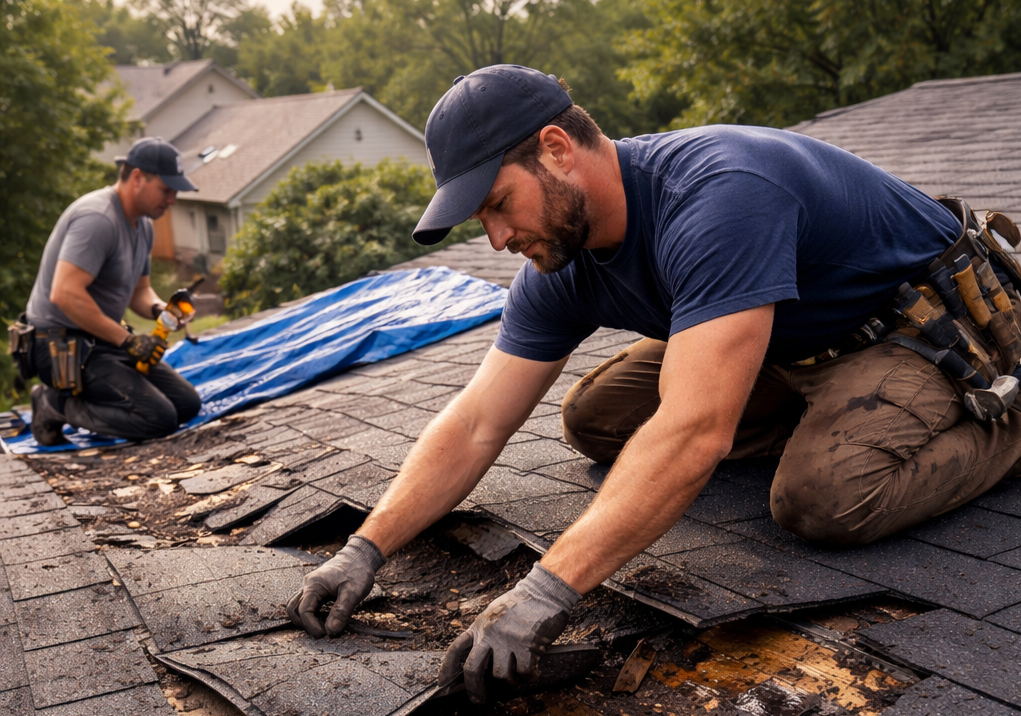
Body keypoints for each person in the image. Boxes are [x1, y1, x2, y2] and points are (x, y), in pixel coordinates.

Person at [287, 65, 1021, 702]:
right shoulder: (560, 259)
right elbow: (479, 418)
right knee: (596, 418)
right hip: (781, 340)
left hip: (906, 334)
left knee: (822, 499)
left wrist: (545, 591)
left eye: (499, 204)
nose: (497, 239)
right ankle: (826, 419)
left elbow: (693, 430)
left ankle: (1005, 422)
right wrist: (365, 547)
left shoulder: (719, 196)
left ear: (556, 149)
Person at [25, 137, 202, 445]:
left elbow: (139, 292)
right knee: (158, 418)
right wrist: (128, 341)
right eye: (166, 189)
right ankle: (52, 403)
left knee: (187, 404)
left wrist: (161, 310)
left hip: (100, 340)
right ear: (137, 178)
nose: (172, 199)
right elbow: (64, 294)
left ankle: (83, 396)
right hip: (57, 346)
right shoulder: (97, 219)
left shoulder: (143, 225)